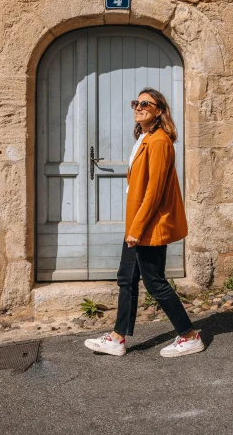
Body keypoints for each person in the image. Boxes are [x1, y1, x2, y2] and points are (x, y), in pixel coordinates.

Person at [84, 88, 204, 358]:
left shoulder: (160, 141)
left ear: (159, 111)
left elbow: (155, 191)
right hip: (137, 222)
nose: (139, 107)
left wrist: (136, 230)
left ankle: (189, 335)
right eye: (136, 103)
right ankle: (117, 338)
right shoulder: (145, 137)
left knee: (155, 282)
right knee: (127, 279)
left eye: (146, 104)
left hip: (148, 224)